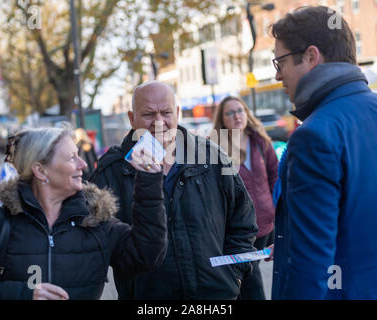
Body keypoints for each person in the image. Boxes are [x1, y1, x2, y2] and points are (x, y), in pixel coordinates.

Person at [89, 80, 257, 300]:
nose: (159, 122)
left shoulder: (211, 157)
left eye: (166, 112)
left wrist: (234, 274)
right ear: (132, 118)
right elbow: (99, 240)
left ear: (177, 113)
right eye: (149, 114)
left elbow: (243, 222)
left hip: (215, 297)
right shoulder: (110, 171)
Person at [268, 5, 377, 299]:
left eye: (280, 62)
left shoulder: (314, 135)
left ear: (311, 56)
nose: (277, 76)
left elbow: (310, 265)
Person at [0, 124, 167, 300]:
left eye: (79, 155)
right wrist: (24, 295)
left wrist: (149, 186)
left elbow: (145, 255)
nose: (83, 165)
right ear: (41, 170)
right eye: (72, 158)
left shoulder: (96, 221)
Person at [211, 96, 278, 300]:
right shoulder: (215, 147)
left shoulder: (260, 141)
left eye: (240, 110)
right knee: (250, 281)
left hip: (266, 225)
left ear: (246, 113)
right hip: (238, 229)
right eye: (230, 112)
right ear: (222, 119)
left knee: (244, 280)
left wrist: (279, 210)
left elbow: (275, 175)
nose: (237, 116)